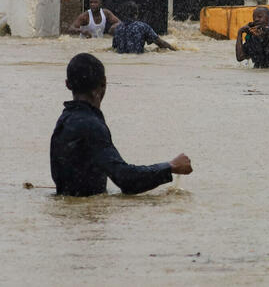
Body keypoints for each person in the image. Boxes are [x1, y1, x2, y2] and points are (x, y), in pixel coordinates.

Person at [50, 53, 192, 196]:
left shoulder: (64, 120)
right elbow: (126, 179)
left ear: (67, 84)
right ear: (104, 83)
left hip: (66, 214)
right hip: (87, 216)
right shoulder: (91, 126)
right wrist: (170, 167)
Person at [111, 1, 177, 54]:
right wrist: (175, 50)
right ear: (136, 14)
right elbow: (161, 43)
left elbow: (114, 48)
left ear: (123, 14)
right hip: (137, 58)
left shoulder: (117, 28)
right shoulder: (143, 27)